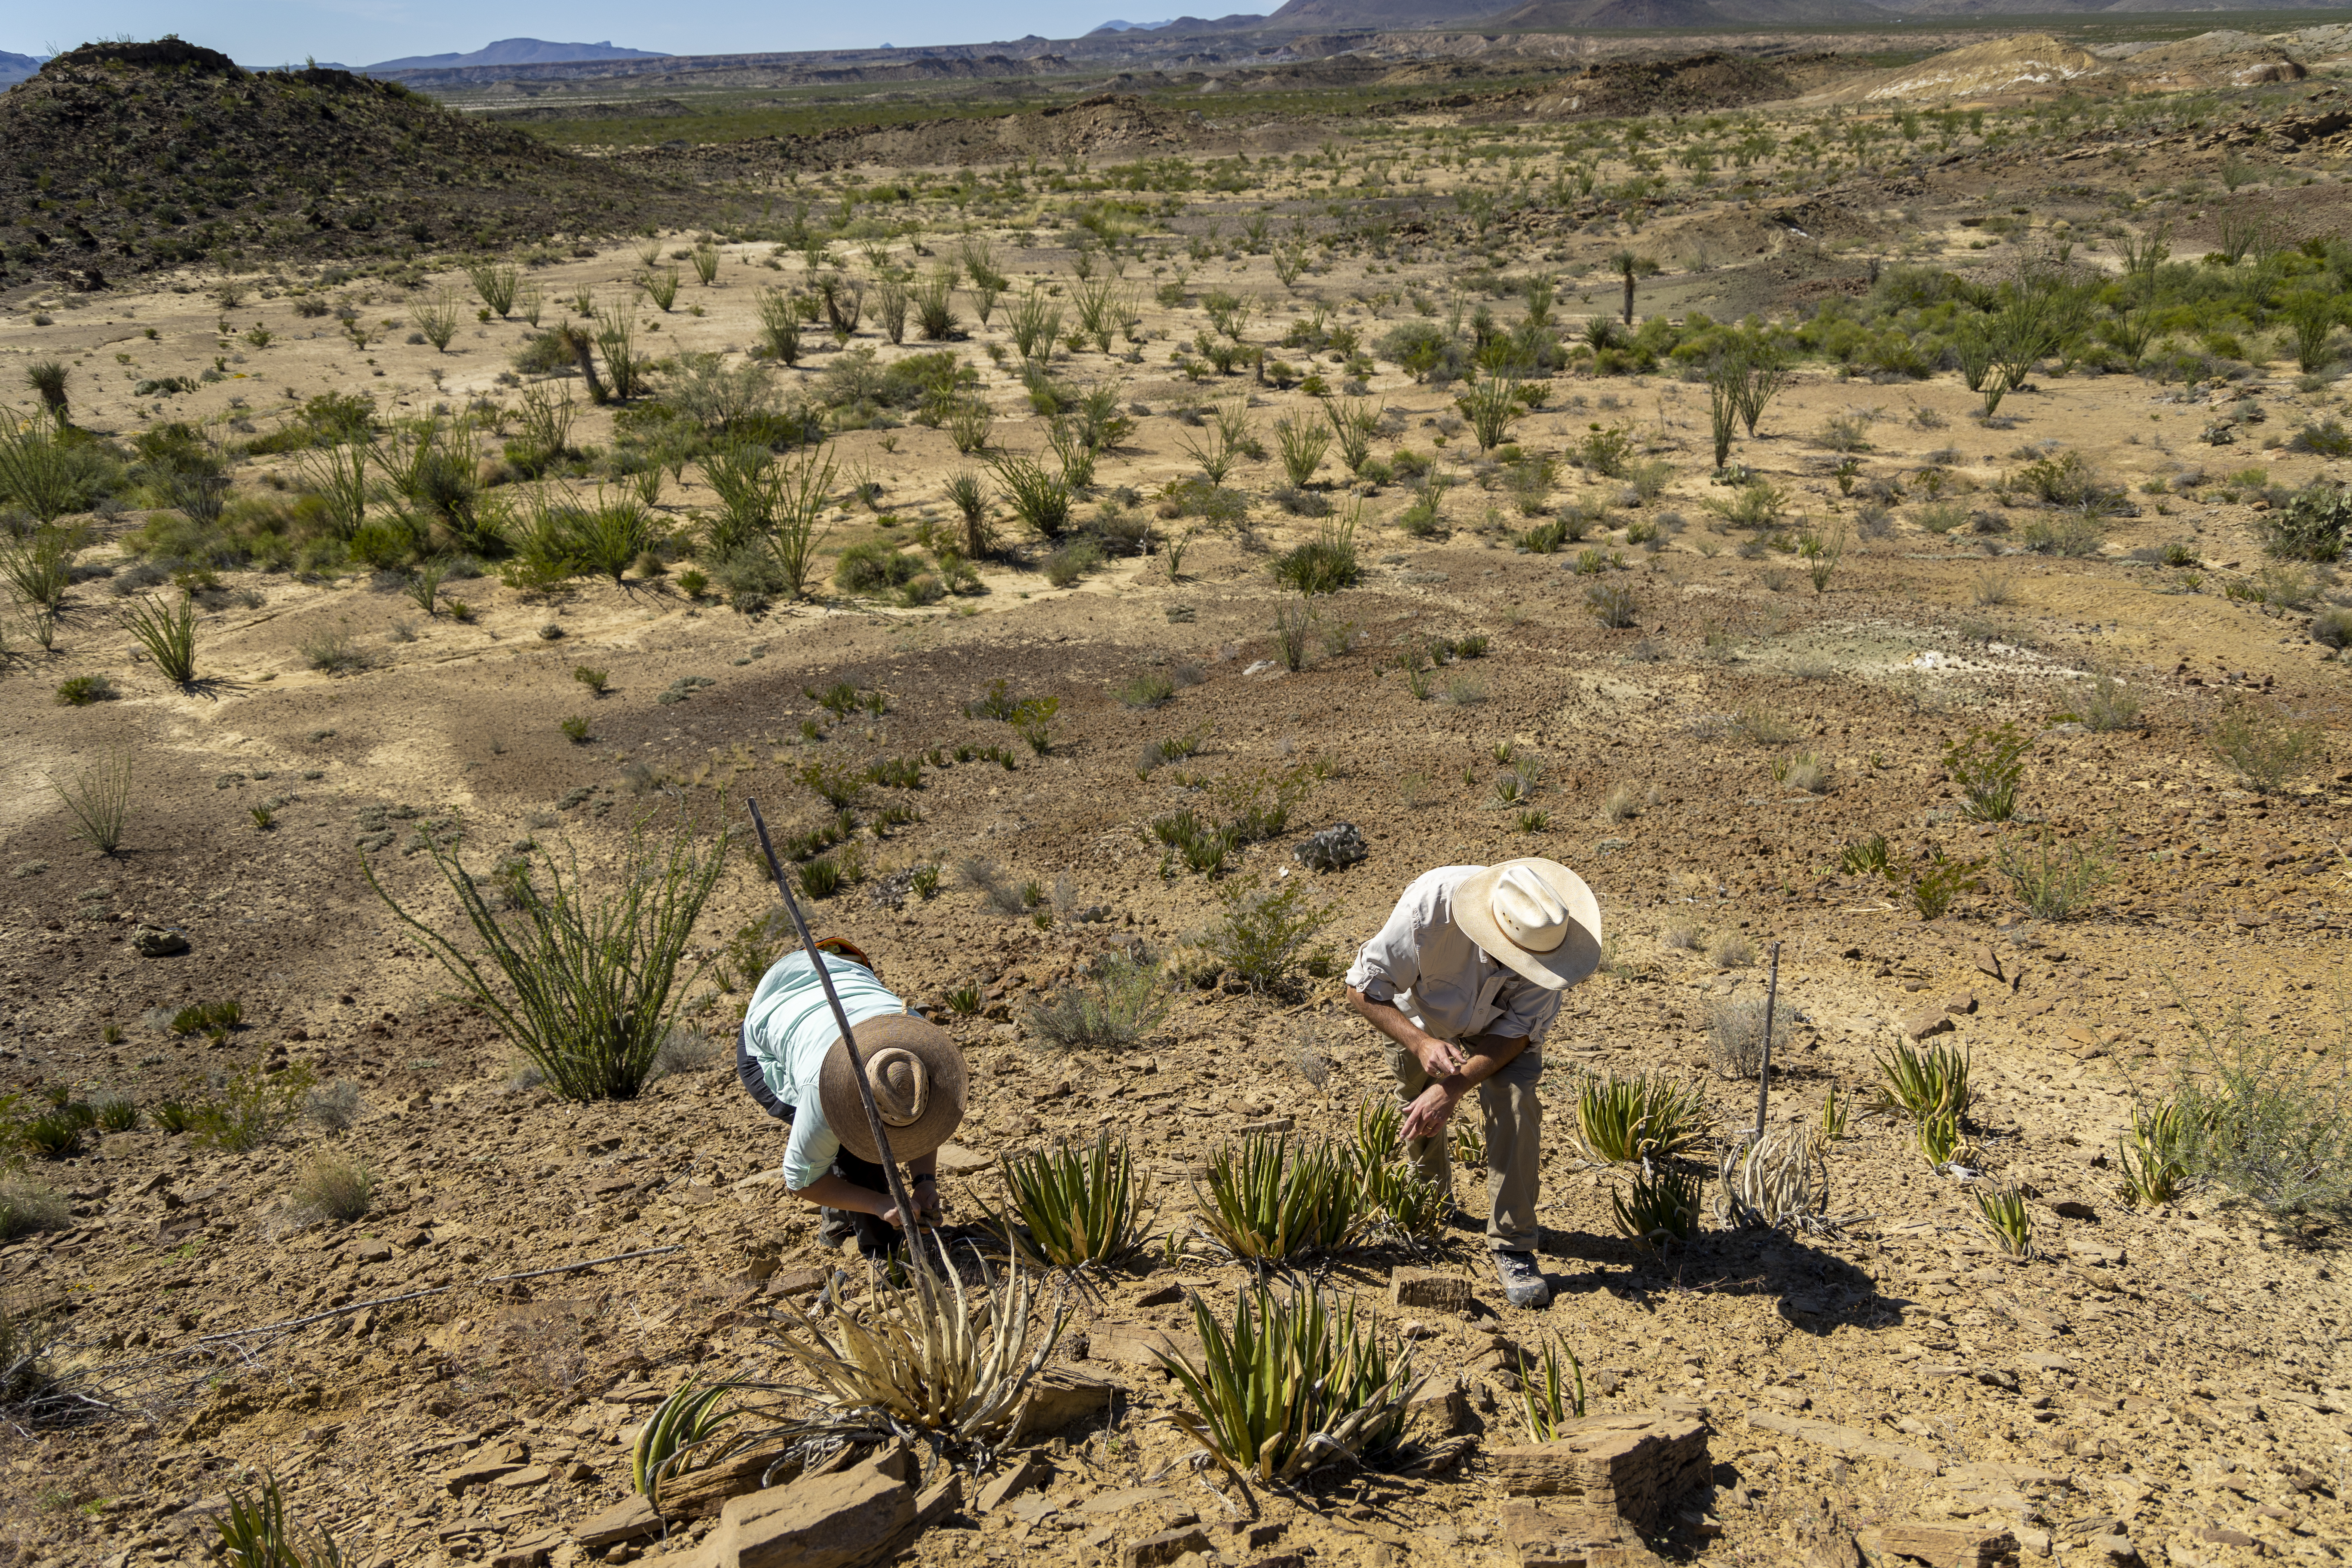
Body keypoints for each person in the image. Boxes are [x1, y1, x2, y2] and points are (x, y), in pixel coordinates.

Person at [1344, 859, 1602, 1309]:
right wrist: (1423, 1044)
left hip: (1500, 1032)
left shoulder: (1551, 946)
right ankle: (1430, 1204)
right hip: (1422, 1016)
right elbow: (1363, 989)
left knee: (1516, 1105)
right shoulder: (1430, 909)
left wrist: (1454, 1087)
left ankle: (1514, 1245)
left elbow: (1518, 1032)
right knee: (1416, 1099)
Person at [734, 937, 968, 1256]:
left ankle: (840, 1213)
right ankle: (879, 1247)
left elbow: (923, 1112)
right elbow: (799, 1181)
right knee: (857, 1153)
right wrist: (880, 1204)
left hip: (835, 972)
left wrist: (925, 1181)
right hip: (769, 1021)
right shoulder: (820, 1092)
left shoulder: (922, 1048)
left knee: (862, 1136)